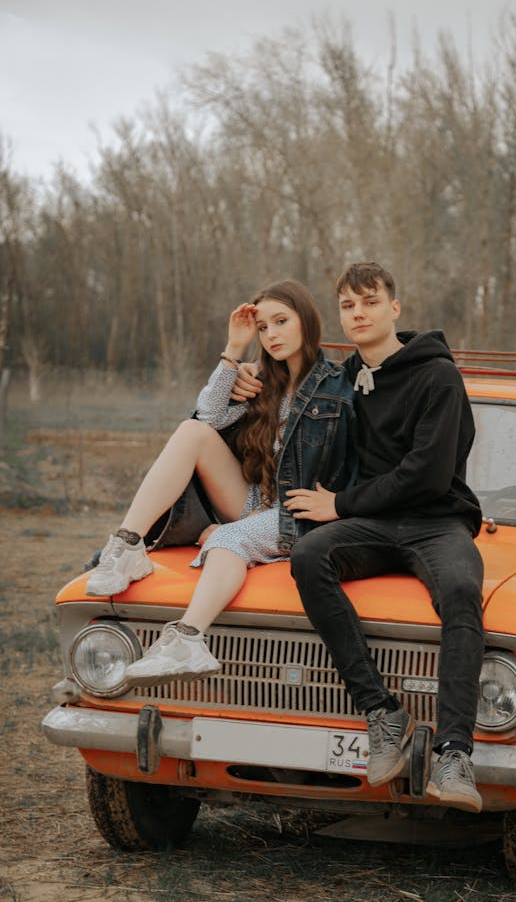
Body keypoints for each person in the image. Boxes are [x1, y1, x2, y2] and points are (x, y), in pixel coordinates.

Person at [283, 261, 485, 812]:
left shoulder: (437, 376)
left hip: (435, 520)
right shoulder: (345, 379)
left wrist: (340, 504)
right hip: (373, 524)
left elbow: (427, 473)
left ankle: (454, 753)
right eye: (347, 305)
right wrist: (241, 369)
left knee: (464, 592)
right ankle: (381, 711)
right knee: (308, 556)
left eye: (369, 302)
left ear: (394, 308)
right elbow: (287, 379)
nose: (358, 314)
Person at [85, 279, 356, 686]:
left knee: (226, 541)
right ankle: (127, 545)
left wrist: (341, 501)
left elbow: (360, 458)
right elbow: (207, 420)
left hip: (300, 513)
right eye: (263, 328)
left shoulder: (339, 386)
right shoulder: (262, 383)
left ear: (307, 321)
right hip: (255, 502)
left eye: (281, 321)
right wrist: (233, 354)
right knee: (190, 433)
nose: (272, 335)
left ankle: (188, 638)